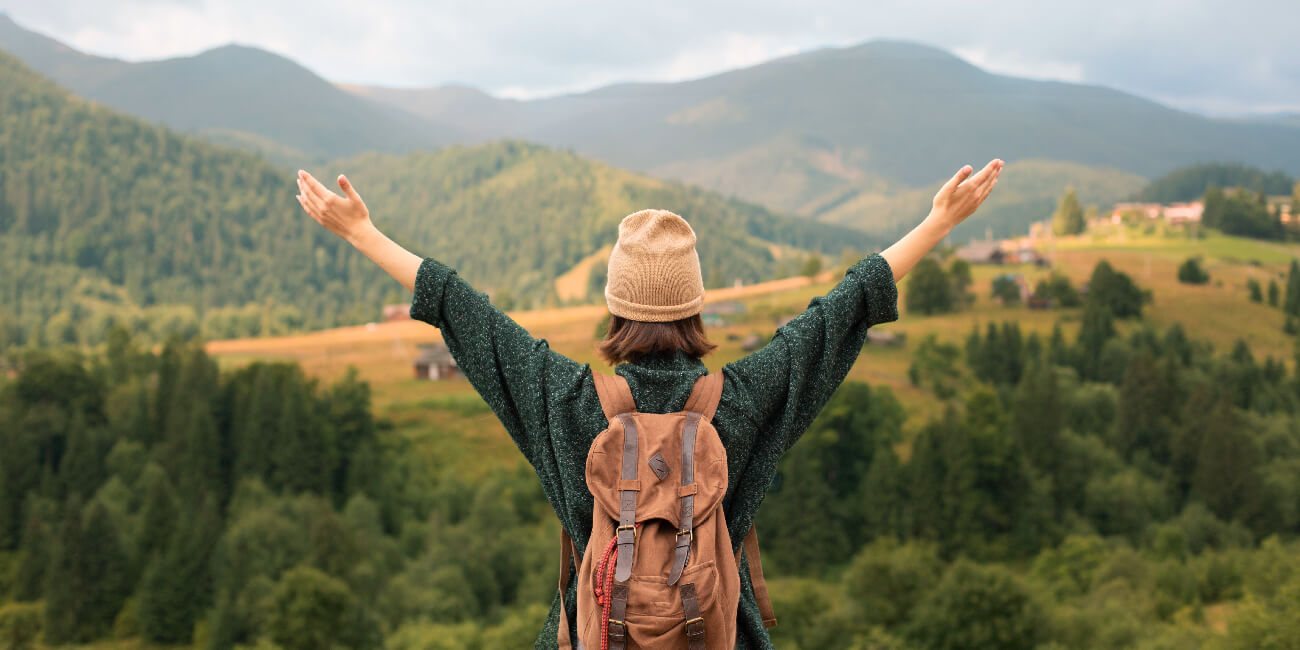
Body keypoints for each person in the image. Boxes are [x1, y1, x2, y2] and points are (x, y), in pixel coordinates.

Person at [294, 158, 1003, 648]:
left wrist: (359, 230)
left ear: (613, 306)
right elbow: (843, 309)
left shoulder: (566, 399)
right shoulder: (744, 399)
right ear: (695, 305)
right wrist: (938, 222)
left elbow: (463, 311)